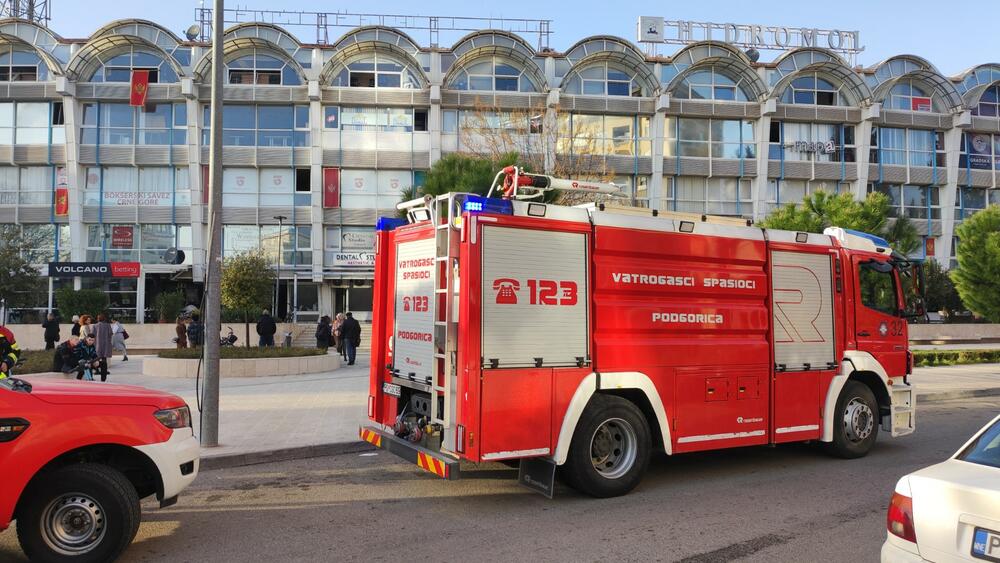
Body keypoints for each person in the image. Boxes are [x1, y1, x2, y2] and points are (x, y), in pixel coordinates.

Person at [93, 314, 112, 381]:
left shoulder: (95, 326)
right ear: (104, 319)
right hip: (106, 344)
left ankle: (97, 370)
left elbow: (93, 335)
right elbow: (110, 333)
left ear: (98, 319)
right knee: (104, 358)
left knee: (97, 357)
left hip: (97, 344)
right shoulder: (108, 325)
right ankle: (104, 372)